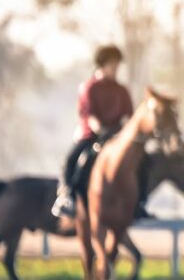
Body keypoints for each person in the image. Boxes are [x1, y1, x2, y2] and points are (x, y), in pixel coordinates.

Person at [52, 45, 133, 217]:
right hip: (92, 135)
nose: (116, 69)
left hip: (117, 137)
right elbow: (89, 116)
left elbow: (129, 116)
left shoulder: (121, 90)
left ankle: (138, 202)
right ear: (102, 65)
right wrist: (101, 130)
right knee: (71, 159)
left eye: (117, 65)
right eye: (113, 65)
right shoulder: (89, 87)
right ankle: (66, 197)